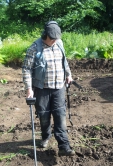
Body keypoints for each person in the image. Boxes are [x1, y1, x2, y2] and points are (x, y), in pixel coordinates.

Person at [22, 21, 75, 156]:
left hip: (59, 87)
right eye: (52, 39)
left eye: (56, 38)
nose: (54, 41)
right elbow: (26, 69)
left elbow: (64, 61)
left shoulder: (59, 43)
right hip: (42, 88)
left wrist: (68, 75)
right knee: (44, 116)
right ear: (45, 35)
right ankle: (46, 136)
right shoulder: (34, 48)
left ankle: (64, 146)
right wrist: (29, 89)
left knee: (60, 115)